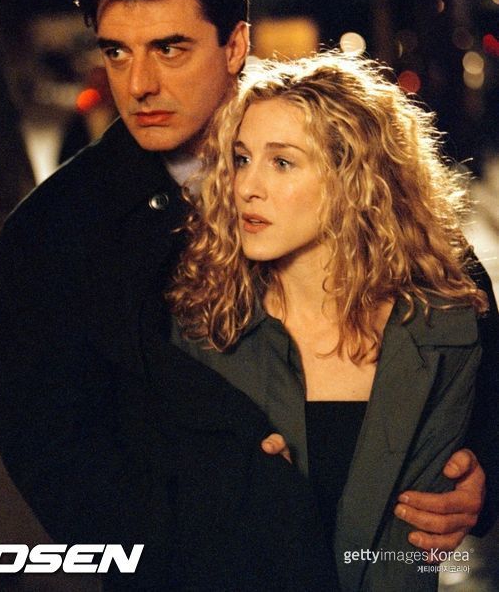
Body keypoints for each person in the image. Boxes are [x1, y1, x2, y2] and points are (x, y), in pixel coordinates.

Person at [0, 0, 495, 588]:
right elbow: (48, 446)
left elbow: (460, 314)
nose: (139, 84)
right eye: (117, 52)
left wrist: (481, 475)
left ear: (235, 45)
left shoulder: (331, 153)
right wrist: (193, 536)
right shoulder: (55, 231)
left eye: (170, 49)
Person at [168, 53, 492, 589]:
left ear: (353, 178)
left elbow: (408, 558)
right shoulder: (205, 328)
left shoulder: (441, 332)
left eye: (282, 162)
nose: (246, 186)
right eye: (242, 158)